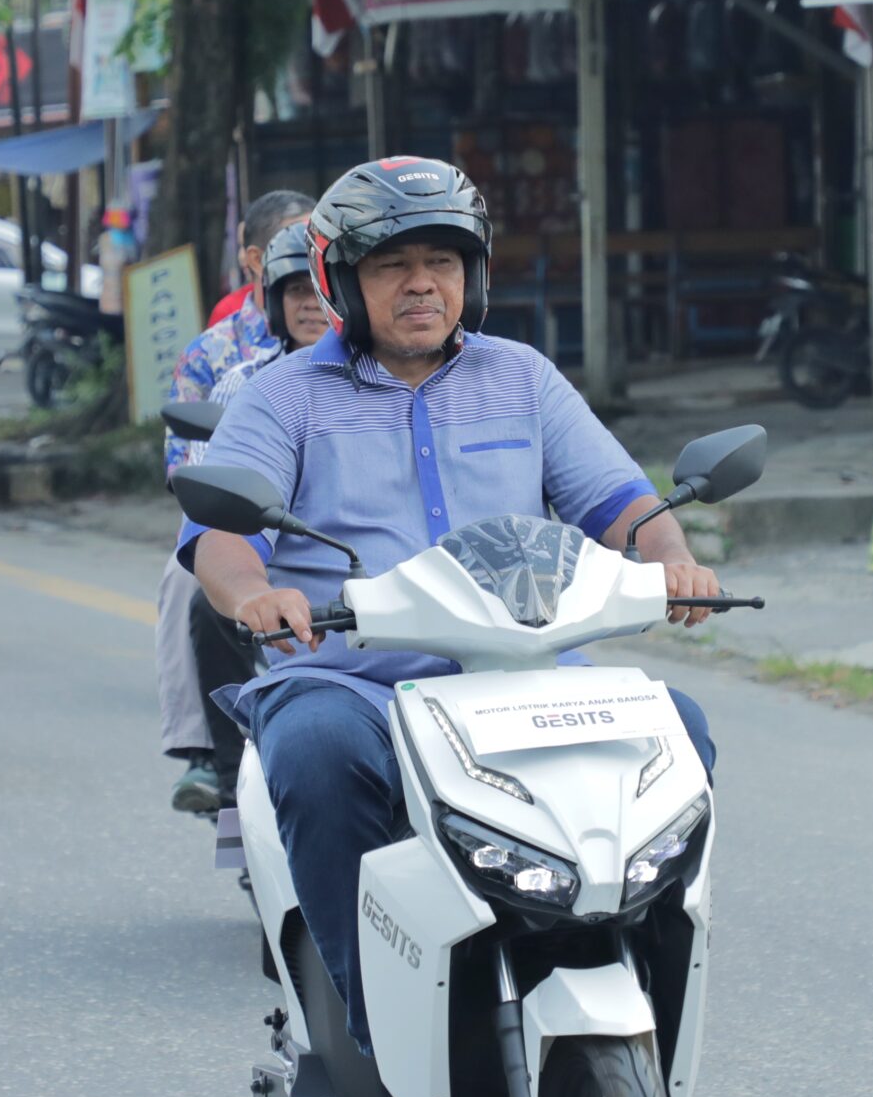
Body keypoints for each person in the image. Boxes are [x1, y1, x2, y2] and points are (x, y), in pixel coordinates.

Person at [183, 158, 723, 1048]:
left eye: (441, 261)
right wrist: (255, 593)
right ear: (341, 282)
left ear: (472, 273)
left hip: (525, 675)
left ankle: (639, 988)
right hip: (354, 683)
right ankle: (372, 1030)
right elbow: (222, 537)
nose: (422, 284)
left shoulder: (523, 378)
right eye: (392, 265)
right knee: (314, 753)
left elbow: (621, 501)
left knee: (680, 732)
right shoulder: (283, 396)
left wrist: (674, 560)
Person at [155, 188, 312, 814]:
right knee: (193, 585)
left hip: (341, 538)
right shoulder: (232, 371)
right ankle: (209, 757)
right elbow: (196, 473)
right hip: (250, 526)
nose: (313, 302)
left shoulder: (388, 368)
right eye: (295, 289)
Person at [183, 221, 332, 806]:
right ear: (272, 301)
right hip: (266, 552)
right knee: (202, 602)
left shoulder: (403, 377)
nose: (310, 304)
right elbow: (209, 490)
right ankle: (223, 776)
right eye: (296, 291)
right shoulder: (245, 384)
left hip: (354, 562)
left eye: (319, 289)